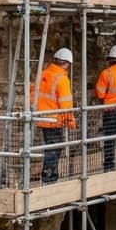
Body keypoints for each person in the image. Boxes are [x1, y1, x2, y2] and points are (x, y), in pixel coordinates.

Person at [33, 47, 75, 183]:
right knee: (54, 148)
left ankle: (49, 175)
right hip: (55, 120)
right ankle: (49, 177)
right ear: (66, 63)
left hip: (42, 117)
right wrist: (70, 120)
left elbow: (32, 95)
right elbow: (66, 104)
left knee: (50, 146)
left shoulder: (42, 74)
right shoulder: (62, 79)